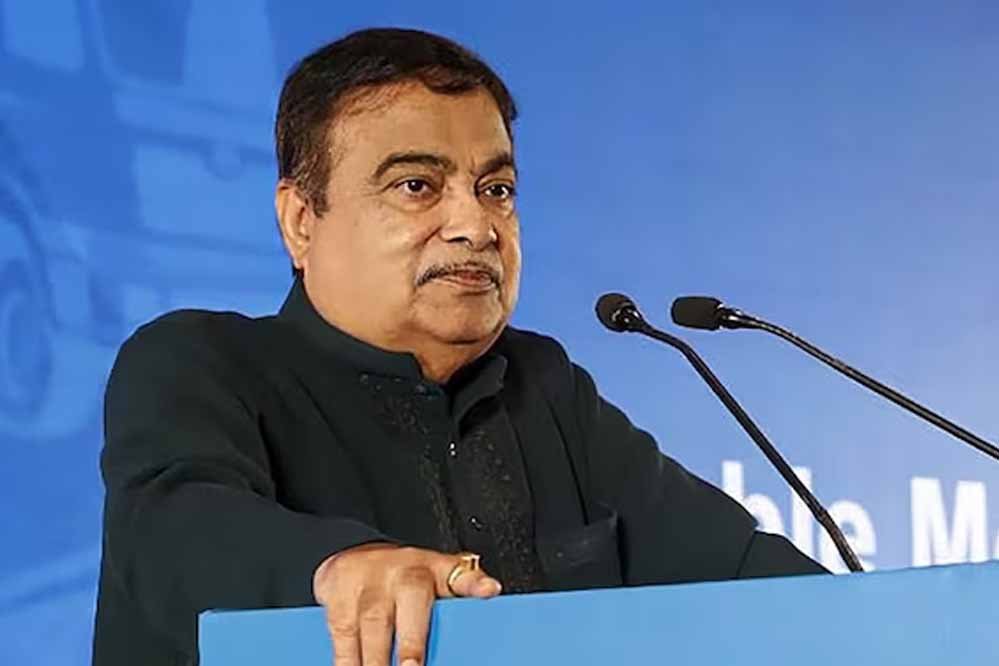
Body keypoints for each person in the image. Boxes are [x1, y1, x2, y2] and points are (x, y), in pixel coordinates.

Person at [92, 27, 825, 666]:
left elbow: (760, 586)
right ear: (301, 220)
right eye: (416, 185)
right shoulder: (200, 360)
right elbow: (173, 531)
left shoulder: (542, 387)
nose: (476, 226)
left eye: (496, 189)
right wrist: (338, 566)